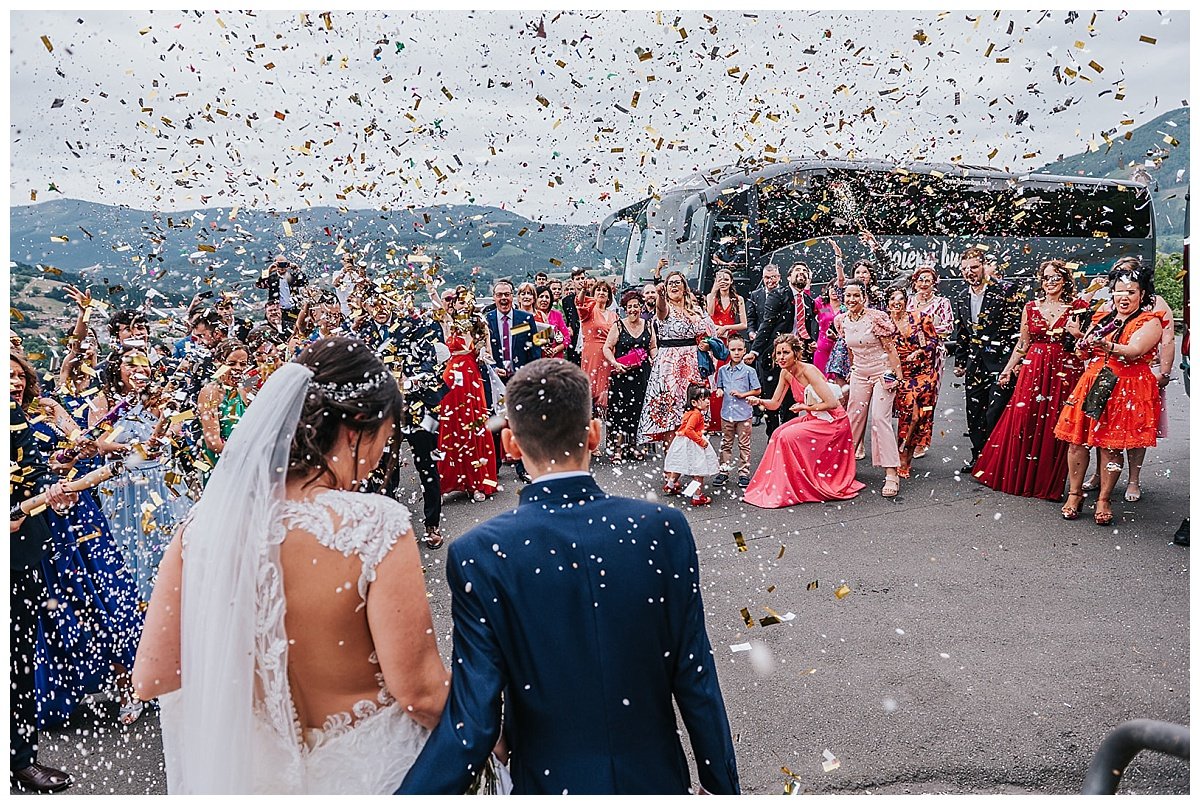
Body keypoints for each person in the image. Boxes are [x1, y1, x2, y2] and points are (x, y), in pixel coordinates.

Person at [398, 359, 739, 795]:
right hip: (654, 779)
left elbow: (475, 719)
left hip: (548, 782)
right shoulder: (661, 528)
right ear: (593, 434)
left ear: (511, 445)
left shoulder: (480, 552)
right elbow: (696, 678)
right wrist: (722, 788)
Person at [133, 337, 449, 794]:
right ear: (357, 427)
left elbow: (153, 676)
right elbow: (420, 694)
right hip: (370, 778)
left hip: (256, 781)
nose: (385, 452)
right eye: (388, 434)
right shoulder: (376, 524)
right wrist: (495, 734)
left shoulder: (201, 529)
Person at [1054, 268, 1165, 525]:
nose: (1124, 297)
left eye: (1131, 291)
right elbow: (1087, 353)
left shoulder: (1150, 321)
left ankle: (1104, 498)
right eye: (1119, 291)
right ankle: (1074, 494)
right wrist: (1081, 340)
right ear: (1111, 293)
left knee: (1111, 446)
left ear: (1142, 294)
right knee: (1077, 441)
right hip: (1095, 381)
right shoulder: (1104, 317)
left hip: (1126, 387)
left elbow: (1135, 350)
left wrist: (1106, 345)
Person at [972, 260, 1086, 500]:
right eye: (1046, 277)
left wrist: (1077, 335)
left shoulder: (1078, 306)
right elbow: (1023, 344)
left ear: (1065, 279)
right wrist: (1008, 369)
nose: (1050, 282)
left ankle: (1047, 482)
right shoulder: (1031, 307)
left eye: (1056, 277)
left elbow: (1087, 347)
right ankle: (1019, 477)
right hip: (1033, 367)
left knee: (1056, 423)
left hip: (1065, 370)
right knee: (1025, 419)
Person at [10, 398, 78, 793]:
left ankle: (20, 759)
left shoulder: (12, 414)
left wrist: (40, 499)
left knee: (16, 662)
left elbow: (32, 475)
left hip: (17, 558)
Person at [92, 347, 191, 605]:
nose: (139, 370)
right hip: (122, 483)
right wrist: (134, 449)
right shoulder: (105, 401)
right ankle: (133, 605)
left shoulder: (156, 399)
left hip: (160, 481)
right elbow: (100, 443)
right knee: (127, 545)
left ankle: (168, 601)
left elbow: (173, 431)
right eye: (131, 365)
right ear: (118, 370)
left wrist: (165, 431)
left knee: (166, 542)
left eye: (144, 364)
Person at [743, 334, 864, 508]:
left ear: (796, 353)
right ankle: (782, 483)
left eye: (786, 352)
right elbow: (775, 403)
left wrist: (804, 408)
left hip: (833, 421)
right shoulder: (785, 373)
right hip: (814, 417)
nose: (781, 357)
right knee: (777, 433)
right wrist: (759, 401)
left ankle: (797, 483)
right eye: (778, 353)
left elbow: (831, 403)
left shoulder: (809, 371)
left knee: (787, 437)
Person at [953, 246, 1023, 466]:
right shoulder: (962, 296)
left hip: (1001, 362)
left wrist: (1014, 363)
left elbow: (1017, 332)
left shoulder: (1007, 290)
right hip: (975, 363)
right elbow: (963, 332)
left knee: (996, 410)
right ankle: (978, 457)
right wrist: (961, 361)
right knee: (974, 411)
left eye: (974, 267)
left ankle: (996, 459)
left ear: (985, 266)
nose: (969, 272)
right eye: (965, 268)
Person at [836, 281, 904, 498]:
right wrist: (852, 371)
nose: (852, 299)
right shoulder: (842, 321)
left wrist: (898, 376)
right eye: (848, 296)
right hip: (859, 373)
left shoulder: (876, 318)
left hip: (882, 371)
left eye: (856, 295)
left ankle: (891, 473)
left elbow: (891, 349)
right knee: (853, 418)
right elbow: (850, 350)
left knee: (879, 419)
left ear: (864, 297)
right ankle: (843, 470)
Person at [637, 271, 716, 445]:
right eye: (670, 283)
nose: (674, 286)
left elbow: (708, 332)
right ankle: (672, 462)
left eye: (677, 282)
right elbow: (661, 309)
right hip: (669, 363)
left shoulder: (695, 309)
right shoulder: (665, 307)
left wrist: (706, 343)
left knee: (693, 408)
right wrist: (661, 295)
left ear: (684, 286)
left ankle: (692, 457)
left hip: (693, 361)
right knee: (671, 411)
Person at [439, 294, 499, 502]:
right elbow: (437, 302)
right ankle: (446, 483)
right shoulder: (449, 322)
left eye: (466, 300)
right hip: (451, 380)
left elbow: (489, 353)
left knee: (473, 426)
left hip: (471, 379)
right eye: (459, 301)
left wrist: (483, 355)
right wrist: (429, 283)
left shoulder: (480, 325)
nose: (463, 304)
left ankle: (477, 483)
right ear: (454, 304)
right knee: (450, 427)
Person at [747, 263, 818, 436]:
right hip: (774, 356)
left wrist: (811, 342)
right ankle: (773, 438)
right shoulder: (778, 295)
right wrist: (755, 351)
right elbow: (767, 323)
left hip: (796, 359)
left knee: (792, 403)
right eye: (797, 271)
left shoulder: (808, 301)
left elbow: (806, 328)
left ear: (808, 279)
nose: (801, 274)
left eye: (804, 271)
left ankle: (788, 440)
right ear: (788, 277)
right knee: (773, 403)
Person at [486, 278, 540, 482]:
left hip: (519, 379)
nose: (503, 298)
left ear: (512, 296)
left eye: (506, 294)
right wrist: (492, 368)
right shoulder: (486, 320)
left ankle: (522, 467)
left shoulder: (526, 319)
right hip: (496, 381)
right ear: (494, 297)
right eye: (499, 295)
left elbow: (535, 350)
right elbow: (482, 350)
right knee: (497, 423)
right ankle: (494, 468)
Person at [886, 288, 941, 478]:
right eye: (892, 299)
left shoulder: (919, 318)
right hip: (901, 375)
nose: (897, 302)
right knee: (910, 416)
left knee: (921, 418)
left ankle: (907, 455)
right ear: (887, 303)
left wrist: (919, 351)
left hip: (923, 374)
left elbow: (932, 341)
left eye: (901, 299)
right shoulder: (884, 324)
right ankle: (902, 454)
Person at [905, 264, 955, 458]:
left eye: (928, 280)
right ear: (915, 282)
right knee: (908, 398)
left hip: (932, 356)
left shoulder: (942, 303)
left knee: (927, 399)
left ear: (934, 283)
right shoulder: (908, 301)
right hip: (908, 356)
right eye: (920, 279)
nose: (924, 283)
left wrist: (926, 332)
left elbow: (948, 327)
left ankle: (922, 441)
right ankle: (907, 436)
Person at [602, 289, 656, 461]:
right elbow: (607, 348)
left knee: (637, 410)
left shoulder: (648, 325)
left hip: (642, 374)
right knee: (619, 411)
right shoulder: (618, 325)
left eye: (636, 306)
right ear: (625, 309)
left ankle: (632, 446)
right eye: (629, 307)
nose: (633, 310)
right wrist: (615, 363)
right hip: (622, 374)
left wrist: (656, 359)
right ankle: (617, 448)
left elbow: (652, 347)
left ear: (641, 307)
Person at [197, 340, 250, 478]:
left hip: (245, 465)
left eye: (243, 364)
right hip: (221, 466)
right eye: (231, 363)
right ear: (218, 363)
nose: (238, 368)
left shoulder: (243, 389)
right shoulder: (210, 392)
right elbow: (213, 443)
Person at [712, 336, 760, 488]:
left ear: (745, 351)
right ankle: (724, 471)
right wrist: (719, 391)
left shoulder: (749, 371)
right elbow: (719, 386)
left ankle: (743, 473)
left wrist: (743, 395)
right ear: (728, 351)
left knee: (744, 444)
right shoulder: (722, 370)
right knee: (726, 443)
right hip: (727, 413)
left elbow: (757, 390)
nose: (737, 353)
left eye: (740, 349)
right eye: (733, 350)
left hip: (744, 413)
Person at [705, 268, 748, 431]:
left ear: (731, 281)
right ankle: (715, 420)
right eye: (719, 279)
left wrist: (727, 327)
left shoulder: (738, 299)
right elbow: (707, 316)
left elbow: (744, 324)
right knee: (715, 379)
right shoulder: (710, 297)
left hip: (731, 341)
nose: (723, 281)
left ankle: (733, 417)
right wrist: (713, 291)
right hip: (715, 341)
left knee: (732, 378)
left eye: (726, 279)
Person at [662, 384, 720, 506]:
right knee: (698, 470)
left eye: (708, 399)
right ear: (694, 402)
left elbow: (686, 427)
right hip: (693, 443)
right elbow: (689, 430)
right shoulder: (696, 414)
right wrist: (701, 441)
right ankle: (697, 496)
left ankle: (670, 485)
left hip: (682, 442)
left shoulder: (690, 412)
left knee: (679, 465)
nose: (708, 402)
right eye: (704, 399)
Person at [577, 279, 618, 426]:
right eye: (598, 290)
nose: (601, 292)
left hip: (609, 356)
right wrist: (583, 291)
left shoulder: (614, 316)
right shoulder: (589, 311)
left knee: (607, 393)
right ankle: (591, 439)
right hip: (592, 355)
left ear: (609, 296)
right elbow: (579, 304)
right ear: (593, 294)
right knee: (590, 393)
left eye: (604, 290)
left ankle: (606, 437)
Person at [255, 255, 308, 326]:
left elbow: (304, 282)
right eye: (279, 264)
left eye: (284, 264)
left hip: (292, 311)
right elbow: (259, 284)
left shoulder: (293, 277)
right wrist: (269, 271)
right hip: (275, 311)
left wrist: (297, 269)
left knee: (294, 329)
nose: (282, 267)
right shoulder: (272, 278)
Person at [533, 287, 570, 359]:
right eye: (541, 297)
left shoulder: (557, 315)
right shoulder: (531, 316)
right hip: (537, 359)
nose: (544, 300)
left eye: (547, 297)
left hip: (556, 359)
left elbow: (567, 338)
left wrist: (555, 350)